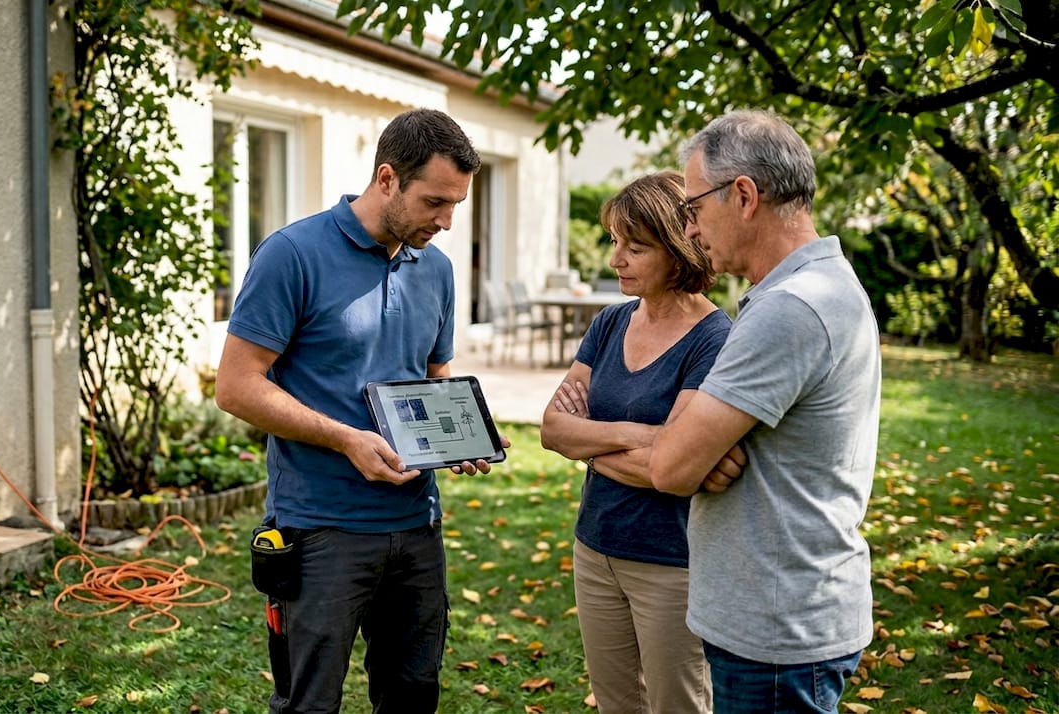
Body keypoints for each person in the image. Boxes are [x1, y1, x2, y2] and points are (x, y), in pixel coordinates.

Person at [214, 108, 506, 714]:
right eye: (434, 202)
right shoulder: (292, 254)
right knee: (309, 703)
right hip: (320, 527)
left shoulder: (439, 269)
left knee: (411, 695)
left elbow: (433, 374)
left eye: (456, 204)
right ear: (386, 178)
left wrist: (456, 435)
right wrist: (347, 438)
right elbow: (238, 386)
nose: (447, 222)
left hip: (417, 524)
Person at [645, 110, 881, 713]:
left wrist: (685, 423)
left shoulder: (792, 308)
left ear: (744, 196)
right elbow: (687, 455)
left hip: (777, 631)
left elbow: (671, 468)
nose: (691, 230)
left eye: (694, 208)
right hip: (787, 612)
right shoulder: (819, 283)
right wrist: (695, 433)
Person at [539, 171, 735, 713]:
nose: (615, 259)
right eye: (614, 242)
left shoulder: (714, 339)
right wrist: (640, 435)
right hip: (594, 545)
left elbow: (675, 468)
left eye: (635, 246)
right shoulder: (609, 322)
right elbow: (553, 429)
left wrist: (594, 443)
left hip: (671, 561)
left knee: (678, 705)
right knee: (615, 704)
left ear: (678, 251)